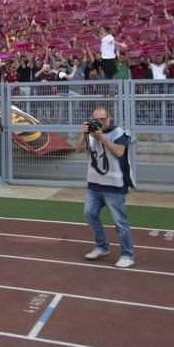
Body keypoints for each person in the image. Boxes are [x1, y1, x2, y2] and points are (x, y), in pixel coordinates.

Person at [75, 106, 136, 268]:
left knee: (120, 222)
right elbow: (78, 149)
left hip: (114, 186)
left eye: (103, 119)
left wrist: (101, 138)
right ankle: (102, 246)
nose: (100, 122)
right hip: (94, 184)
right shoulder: (90, 133)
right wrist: (83, 134)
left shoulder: (119, 133)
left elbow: (119, 152)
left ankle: (127, 254)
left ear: (110, 119)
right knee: (89, 213)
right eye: (96, 119)